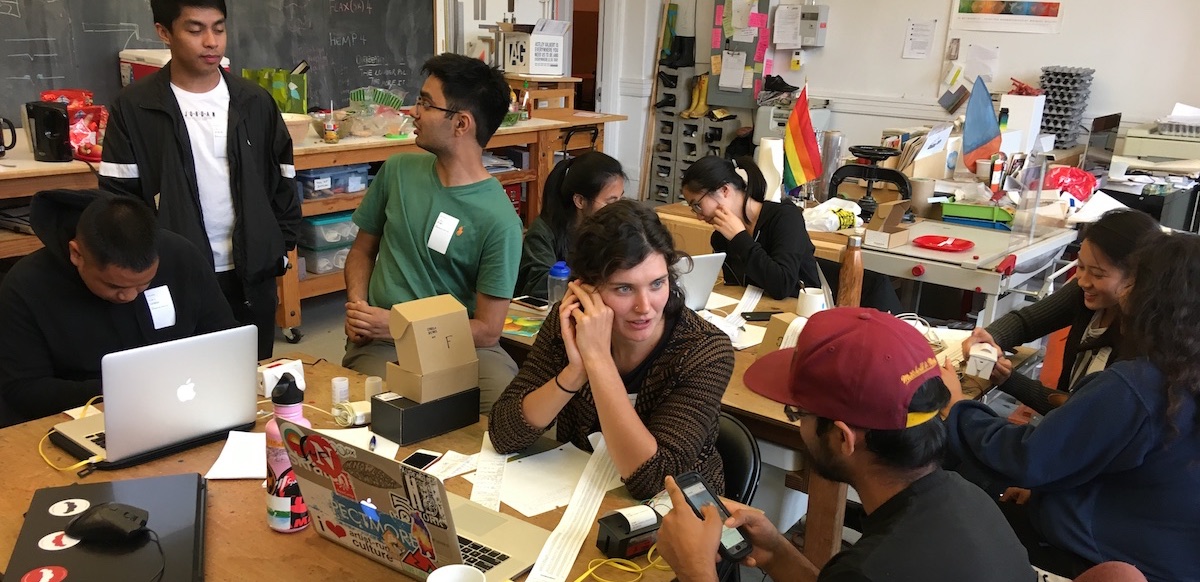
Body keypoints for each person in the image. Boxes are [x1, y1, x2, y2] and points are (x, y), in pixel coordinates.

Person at [658, 307, 1033, 581]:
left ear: (843, 438)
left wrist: (696, 572)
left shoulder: (870, 568)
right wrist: (777, 552)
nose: (799, 422)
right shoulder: (968, 499)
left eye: (797, 412)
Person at [942, 232, 1200, 582]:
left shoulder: (1137, 386)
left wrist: (956, 405)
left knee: (947, 492)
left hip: (1102, 558)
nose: (1123, 293)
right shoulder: (1183, 373)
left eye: (1132, 283)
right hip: (1155, 548)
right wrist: (1052, 489)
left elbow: (1026, 458)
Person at [489, 201, 735, 500]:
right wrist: (575, 373)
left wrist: (597, 361)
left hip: (677, 511)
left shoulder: (705, 350)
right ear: (586, 289)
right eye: (623, 289)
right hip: (582, 487)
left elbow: (653, 480)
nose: (644, 307)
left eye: (657, 283)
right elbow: (503, 434)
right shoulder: (570, 322)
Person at [99, 0, 301, 360]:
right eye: (195, 30)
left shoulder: (254, 101)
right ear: (164, 32)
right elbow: (118, 196)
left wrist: (280, 246)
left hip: (251, 271)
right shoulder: (135, 106)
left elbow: (282, 177)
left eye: (219, 28)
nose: (211, 42)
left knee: (252, 375)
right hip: (172, 270)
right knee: (182, 375)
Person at [342, 53, 520, 413]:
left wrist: (398, 324)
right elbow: (362, 251)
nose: (414, 112)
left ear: (461, 124)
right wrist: (359, 307)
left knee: (510, 410)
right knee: (391, 408)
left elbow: (487, 330)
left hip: (458, 343)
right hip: (381, 342)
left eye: (426, 103)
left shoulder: (500, 220)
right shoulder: (398, 171)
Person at [0, 190, 236, 427]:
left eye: (144, 284)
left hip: (186, 404)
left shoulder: (181, 256)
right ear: (76, 254)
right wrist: (120, 390)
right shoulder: (26, 288)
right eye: (114, 286)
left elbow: (225, 338)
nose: (131, 296)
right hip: (82, 418)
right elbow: (23, 389)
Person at [961, 209, 1159, 414]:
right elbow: (1026, 322)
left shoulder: (1143, 342)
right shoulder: (1086, 295)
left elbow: (1080, 414)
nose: (1083, 281)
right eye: (1080, 267)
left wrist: (1009, 380)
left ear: (1137, 277)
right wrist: (988, 339)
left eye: (1098, 274)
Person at [680, 155, 901, 311]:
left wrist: (740, 238)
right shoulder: (721, 237)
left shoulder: (785, 218)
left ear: (724, 190)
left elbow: (782, 285)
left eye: (698, 205)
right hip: (760, 319)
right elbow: (740, 289)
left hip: (802, 317)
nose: (698, 215)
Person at [514, 151, 625, 299]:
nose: (617, 208)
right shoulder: (543, 232)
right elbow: (539, 285)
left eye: (621, 199)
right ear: (580, 201)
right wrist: (594, 286)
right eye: (610, 202)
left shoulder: (613, 228)